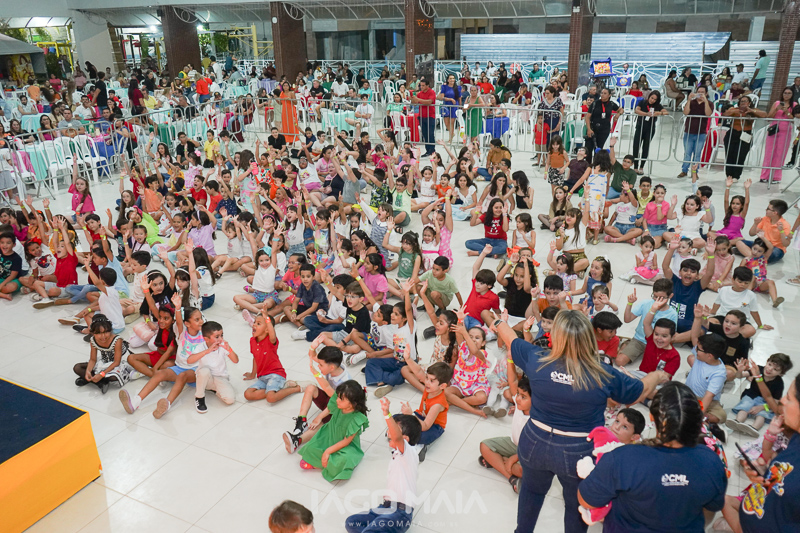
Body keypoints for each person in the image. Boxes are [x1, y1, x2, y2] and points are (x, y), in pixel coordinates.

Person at [494, 310, 658, 533]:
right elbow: (639, 391)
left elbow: (509, 337)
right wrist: (657, 376)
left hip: (534, 440)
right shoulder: (603, 373)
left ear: (556, 336)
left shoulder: (536, 357)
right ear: (588, 337)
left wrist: (498, 321)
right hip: (578, 450)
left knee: (531, 491)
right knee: (576, 505)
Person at [578, 382, 727, 532]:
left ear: (651, 417)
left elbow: (586, 500)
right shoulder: (712, 461)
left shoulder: (623, 458)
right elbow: (710, 510)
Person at [345, 397, 420, 533]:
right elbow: (400, 434)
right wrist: (407, 416)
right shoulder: (397, 453)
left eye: (394, 429)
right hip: (385, 508)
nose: (389, 432)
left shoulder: (409, 453)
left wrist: (387, 413)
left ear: (405, 439)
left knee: (370, 531)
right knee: (351, 522)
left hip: (401, 513)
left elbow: (397, 437)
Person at [723, 96, 767, 181]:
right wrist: (736, 111)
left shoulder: (754, 110)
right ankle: (729, 175)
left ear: (749, 103)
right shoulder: (734, 109)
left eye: (745, 101)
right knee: (729, 155)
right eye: (742, 101)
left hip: (746, 134)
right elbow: (725, 114)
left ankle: (736, 176)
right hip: (733, 133)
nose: (743, 103)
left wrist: (751, 111)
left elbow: (764, 115)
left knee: (741, 156)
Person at [760, 86, 795, 184]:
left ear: (792, 95)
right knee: (769, 153)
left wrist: (787, 112)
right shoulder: (776, 103)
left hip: (785, 132)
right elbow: (769, 117)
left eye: (789, 93)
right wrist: (776, 109)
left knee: (780, 154)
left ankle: (776, 177)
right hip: (774, 130)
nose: (786, 95)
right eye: (785, 93)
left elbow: (794, 119)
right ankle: (764, 176)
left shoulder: (794, 105)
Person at [678, 86, 712, 179]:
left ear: (706, 93)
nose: (700, 94)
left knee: (697, 154)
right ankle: (684, 170)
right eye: (698, 92)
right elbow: (685, 113)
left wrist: (705, 101)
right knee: (687, 153)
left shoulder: (709, 103)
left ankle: (694, 172)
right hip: (689, 131)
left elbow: (708, 114)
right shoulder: (692, 102)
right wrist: (689, 100)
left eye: (702, 92)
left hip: (701, 132)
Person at [632, 90, 668, 173]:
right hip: (640, 127)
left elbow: (666, 112)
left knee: (646, 147)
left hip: (650, 128)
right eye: (652, 98)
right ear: (649, 97)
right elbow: (636, 110)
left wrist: (658, 113)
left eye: (655, 99)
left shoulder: (658, 106)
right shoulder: (642, 102)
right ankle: (635, 166)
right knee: (636, 146)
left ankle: (642, 167)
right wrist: (646, 114)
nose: (652, 100)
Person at [584, 88, 622, 154]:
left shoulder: (611, 104)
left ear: (609, 95)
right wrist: (589, 129)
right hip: (593, 128)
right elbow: (587, 117)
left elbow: (621, 110)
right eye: (602, 93)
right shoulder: (595, 103)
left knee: (599, 149)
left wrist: (618, 115)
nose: (602, 95)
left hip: (604, 129)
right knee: (588, 149)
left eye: (605, 93)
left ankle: (597, 160)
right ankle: (588, 161)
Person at [411, 78, 437, 156]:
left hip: (430, 116)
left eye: (423, 85)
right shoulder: (420, 93)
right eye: (420, 85)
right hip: (422, 116)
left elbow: (429, 102)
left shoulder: (432, 92)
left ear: (427, 86)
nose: (421, 87)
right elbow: (415, 103)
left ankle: (432, 150)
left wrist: (418, 99)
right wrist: (412, 98)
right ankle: (428, 150)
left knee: (430, 133)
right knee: (425, 134)